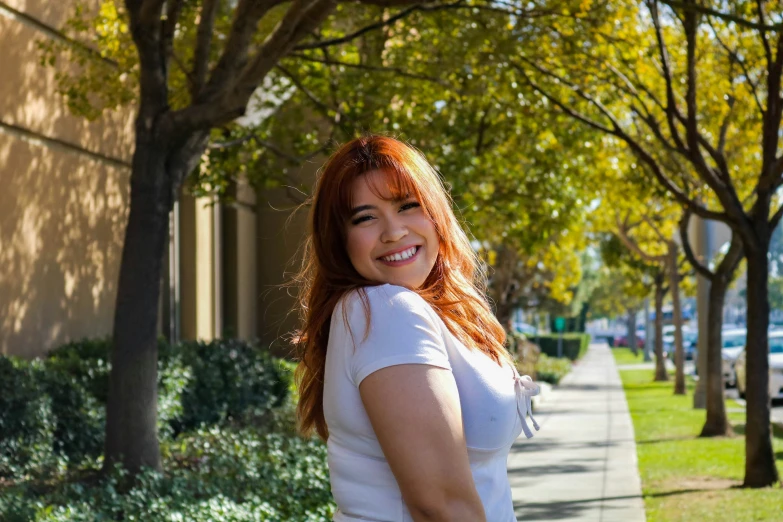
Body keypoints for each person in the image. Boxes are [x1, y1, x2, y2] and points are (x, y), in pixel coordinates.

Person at [293, 135, 539, 522]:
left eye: (408, 206)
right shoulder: (386, 310)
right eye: (365, 217)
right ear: (340, 240)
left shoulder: (429, 312)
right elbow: (440, 505)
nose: (393, 232)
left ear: (436, 214)